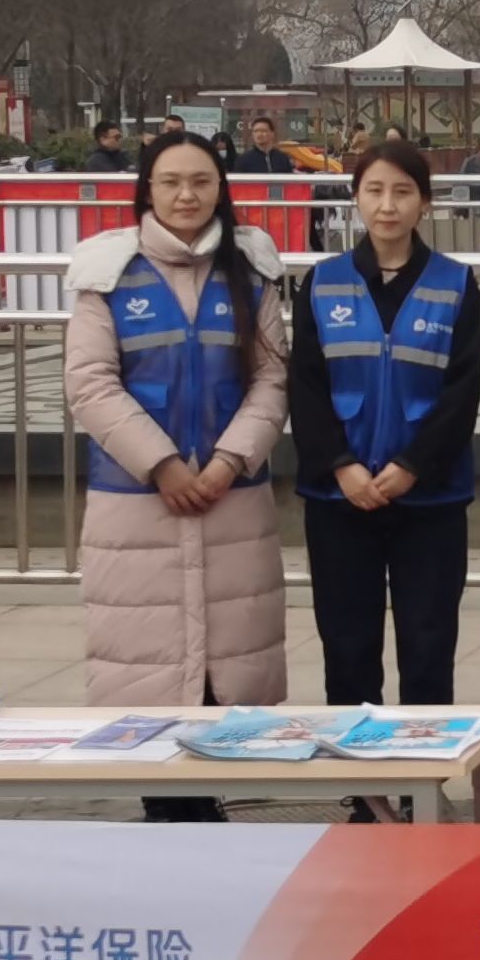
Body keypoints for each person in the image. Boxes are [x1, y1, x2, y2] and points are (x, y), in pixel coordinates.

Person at [62, 132, 288, 822]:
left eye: (201, 181)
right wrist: (161, 464)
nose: (187, 195)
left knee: (232, 660)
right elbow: (90, 383)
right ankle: (167, 812)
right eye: (170, 182)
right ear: (147, 189)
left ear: (221, 187)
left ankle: (210, 807)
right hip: (136, 505)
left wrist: (227, 460)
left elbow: (272, 376)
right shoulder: (106, 274)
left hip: (232, 500)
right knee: (147, 667)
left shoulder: (251, 270)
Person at [290, 139, 480, 723]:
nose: (387, 205)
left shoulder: (455, 284)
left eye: (403, 191)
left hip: (430, 499)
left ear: (425, 202)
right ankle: (360, 769)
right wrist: (341, 466)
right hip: (339, 499)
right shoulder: (322, 283)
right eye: (374, 190)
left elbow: (462, 392)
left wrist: (411, 467)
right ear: (355, 198)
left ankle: (422, 768)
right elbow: (305, 387)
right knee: (348, 649)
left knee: (428, 648)